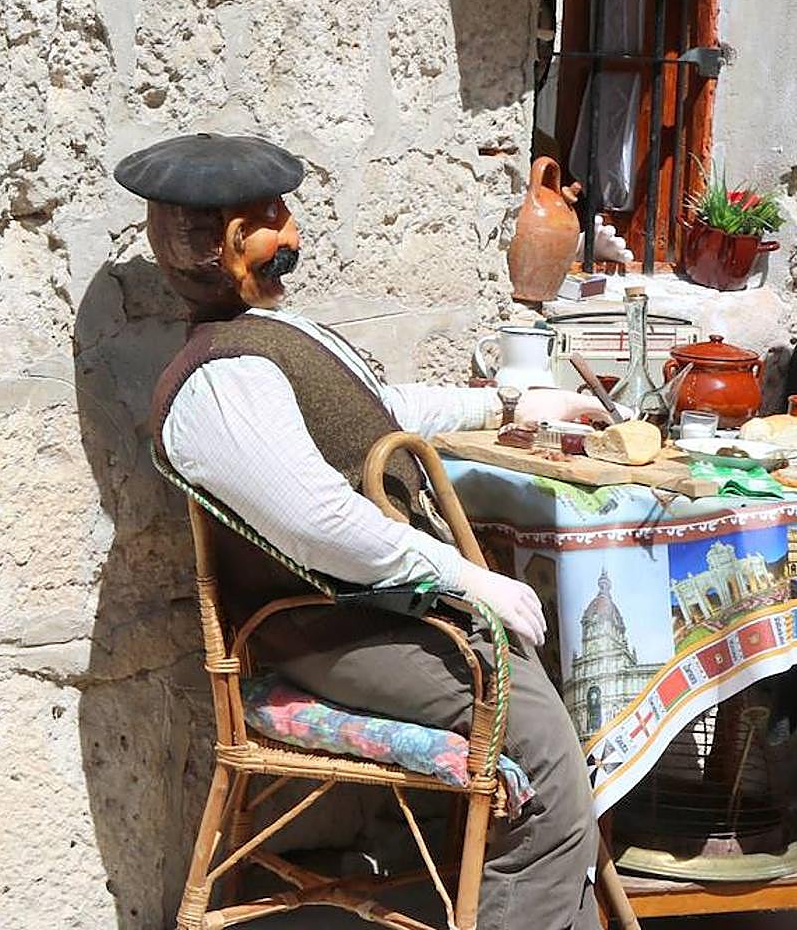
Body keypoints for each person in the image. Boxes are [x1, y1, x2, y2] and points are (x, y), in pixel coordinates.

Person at [117, 132, 610, 930]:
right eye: (272, 218)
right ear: (225, 243)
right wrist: (463, 576)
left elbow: (380, 411)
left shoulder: (281, 337)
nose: (296, 233)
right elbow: (323, 526)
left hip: (378, 610)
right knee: (548, 766)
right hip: (325, 628)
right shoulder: (221, 383)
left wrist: (513, 407)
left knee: (551, 721)